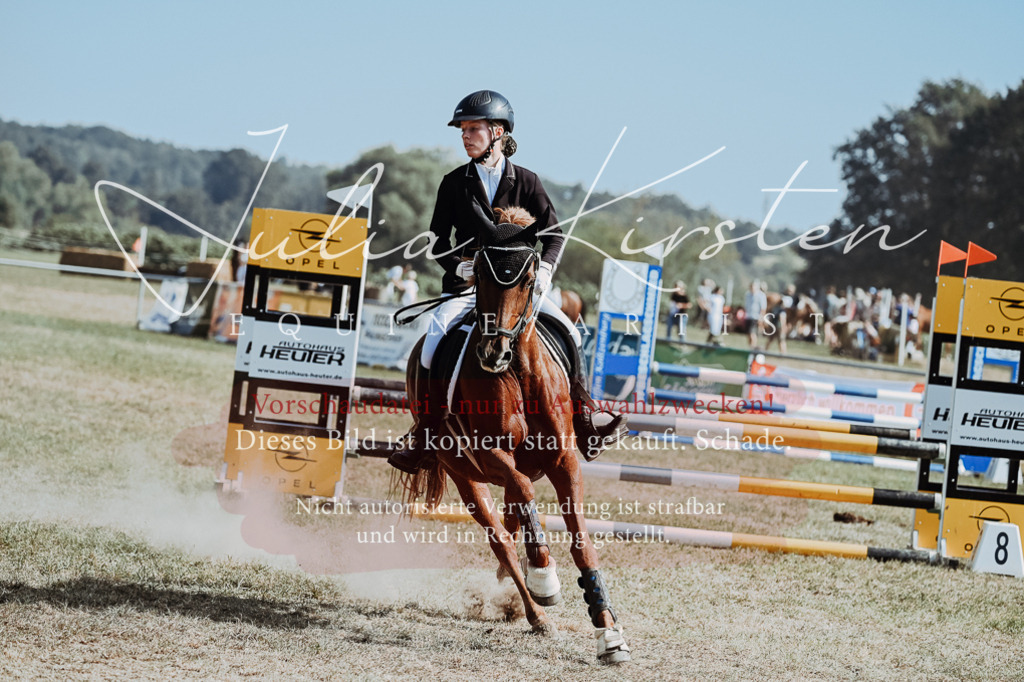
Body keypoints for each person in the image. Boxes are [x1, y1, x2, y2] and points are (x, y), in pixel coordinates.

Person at [388, 90, 626, 474]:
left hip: (518, 292)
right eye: (462, 130)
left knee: (571, 332)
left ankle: (584, 419)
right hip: (469, 290)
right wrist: (457, 267)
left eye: (473, 129)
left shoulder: (527, 181)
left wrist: (545, 271)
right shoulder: (453, 183)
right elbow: (435, 240)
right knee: (433, 336)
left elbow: (554, 235)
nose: (465, 136)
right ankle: (426, 433)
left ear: (497, 131)